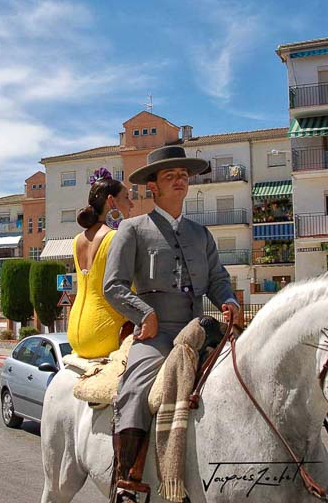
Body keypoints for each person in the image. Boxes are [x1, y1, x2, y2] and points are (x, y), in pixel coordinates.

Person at [103, 145, 240, 502]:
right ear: (153, 187)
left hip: (198, 331)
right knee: (135, 387)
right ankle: (127, 478)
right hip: (157, 333)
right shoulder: (132, 229)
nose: (180, 180)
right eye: (170, 176)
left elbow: (218, 279)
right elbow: (112, 286)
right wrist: (142, 313)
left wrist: (228, 300)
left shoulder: (202, 234)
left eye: (183, 175)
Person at [67, 167, 134, 359]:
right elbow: (132, 288)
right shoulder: (116, 237)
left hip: (76, 332)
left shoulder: (77, 240)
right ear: (111, 201)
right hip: (106, 333)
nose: (132, 204)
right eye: (127, 197)